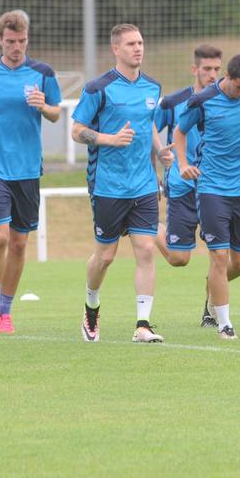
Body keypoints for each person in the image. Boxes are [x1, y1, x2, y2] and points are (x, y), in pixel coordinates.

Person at [70, 23, 167, 344]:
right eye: (130, 44)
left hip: (143, 185)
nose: (138, 48)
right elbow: (77, 130)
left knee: (145, 250)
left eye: (140, 42)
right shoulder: (99, 88)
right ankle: (91, 307)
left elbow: (148, 123)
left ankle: (143, 324)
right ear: (116, 49)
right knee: (106, 257)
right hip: (108, 185)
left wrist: (160, 150)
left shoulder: (153, 87)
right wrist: (109, 139)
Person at [174, 54, 240, 341]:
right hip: (212, 188)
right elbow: (179, 132)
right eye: (238, 88)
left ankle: (212, 292)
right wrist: (183, 164)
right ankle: (224, 323)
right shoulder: (203, 101)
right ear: (227, 78)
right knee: (219, 255)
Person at [0, 10, 61, 335]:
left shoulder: (42, 73)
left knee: (20, 244)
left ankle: (7, 312)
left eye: (22, 41)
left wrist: (43, 106)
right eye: (10, 42)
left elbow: (56, 114)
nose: (16, 47)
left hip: (27, 168)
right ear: (0, 40)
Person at [155, 45, 223, 325]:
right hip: (182, 187)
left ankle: (211, 308)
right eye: (207, 69)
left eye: (217, 69)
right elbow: (146, 126)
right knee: (179, 258)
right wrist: (160, 152)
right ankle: (146, 226)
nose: (212, 74)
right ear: (195, 70)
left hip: (216, 188)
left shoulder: (225, 99)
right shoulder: (174, 102)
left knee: (220, 254)